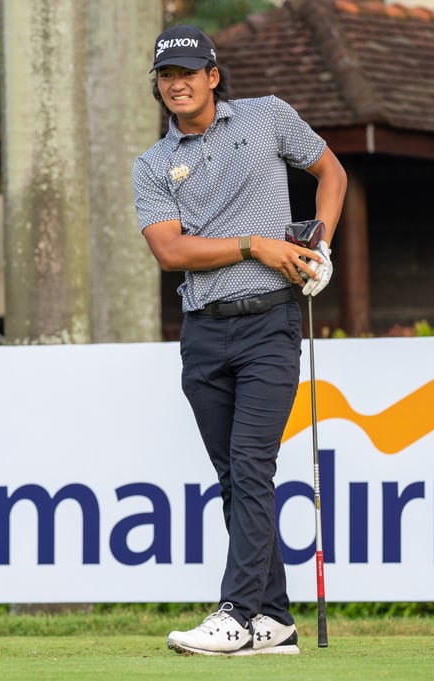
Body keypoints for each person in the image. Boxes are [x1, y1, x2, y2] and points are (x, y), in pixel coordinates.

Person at [132, 25, 347, 656]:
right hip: (202, 333)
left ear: (213, 76)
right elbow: (170, 251)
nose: (178, 84)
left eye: (189, 73)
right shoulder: (152, 165)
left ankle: (235, 612)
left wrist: (319, 244)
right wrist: (257, 244)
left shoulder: (268, 117)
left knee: (253, 466)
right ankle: (274, 622)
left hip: (270, 326)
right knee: (234, 479)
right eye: (167, 76)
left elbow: (330, 172)